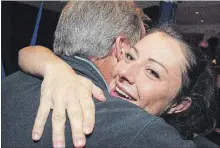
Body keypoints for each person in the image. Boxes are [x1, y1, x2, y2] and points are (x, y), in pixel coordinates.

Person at [2, 1, 199, 148]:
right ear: (121, 49)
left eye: (152, 72)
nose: (128, 74)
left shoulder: (9, 85)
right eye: (131, 56)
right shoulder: (133, 129)